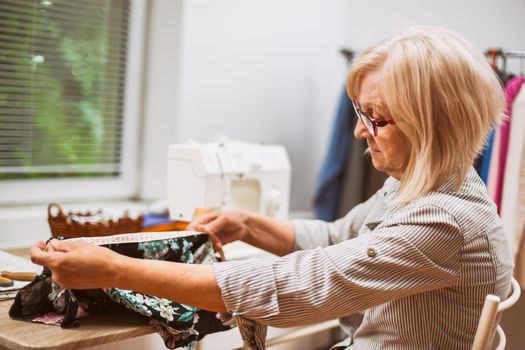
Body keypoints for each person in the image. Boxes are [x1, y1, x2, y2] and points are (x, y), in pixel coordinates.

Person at [30, 25, 513, 349]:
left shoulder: (443, 220)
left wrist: (116, 270)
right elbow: (336, 240)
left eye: (375, 117)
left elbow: (299, 287)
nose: (359, 132)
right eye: (359, 113)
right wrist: (249, 224)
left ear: (430, 126)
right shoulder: (418, 189)